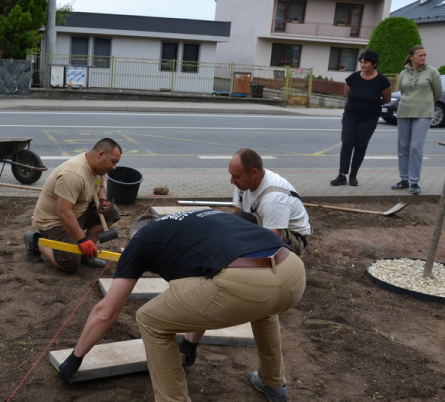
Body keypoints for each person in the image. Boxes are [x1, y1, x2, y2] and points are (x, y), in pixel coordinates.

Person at [57, 209, 306, 402]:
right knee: (263, 306)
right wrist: (189, 343)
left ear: (136, 235)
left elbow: (106, 312)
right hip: (292, 272)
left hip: (244, 282)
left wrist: (76, 357)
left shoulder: (141, 241)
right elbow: (202, 290)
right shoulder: (199, 221)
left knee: (149, 319)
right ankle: (274, 385)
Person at [24, 138, 122, 273]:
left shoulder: (98, 168)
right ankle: (35, 241)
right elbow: (63, 212)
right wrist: (82, 239)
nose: (114, 167)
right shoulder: (73, 175)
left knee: (112, 212)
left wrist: (103, 201)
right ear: (101, 154)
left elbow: (100, 186)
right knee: (70, 264)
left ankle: (85, 253)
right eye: (113, 161)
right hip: (54, 221)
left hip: (76, 213)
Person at [229, 148, 310, 256]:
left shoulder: (273, 197)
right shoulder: (243, 183)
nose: (232, 181)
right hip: (266, 225)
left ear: (254, 172)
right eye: (232, 175)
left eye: (237, 176)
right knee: (237, 221)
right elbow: (237, 217)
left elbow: (272, 239)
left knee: (243, 223)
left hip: (293, 239)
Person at [330, 49, 391, 187]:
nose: (362, 65)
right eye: (361, 62)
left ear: (374, 64)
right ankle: (341, 175)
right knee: (347, 143)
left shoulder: (382, 80)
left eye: (366, 62)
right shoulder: (354, 77)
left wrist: (371, 103)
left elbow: (386, 99)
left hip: (369, 118)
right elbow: (348, 93)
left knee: (360, 146)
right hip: (351, 116)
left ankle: (353, 175)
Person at [391, 45, 443, 196]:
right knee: (403, 147)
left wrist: (425, 103)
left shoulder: (432, 72)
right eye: (420, 55)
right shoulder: (403, 73)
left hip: (423, 113)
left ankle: (414, 182)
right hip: (404, 111)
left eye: (425, 55)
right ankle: (404, 180)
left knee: (415, 147)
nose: (423, 58)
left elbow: (438, 93)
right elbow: (402, 91)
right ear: (411, 57)